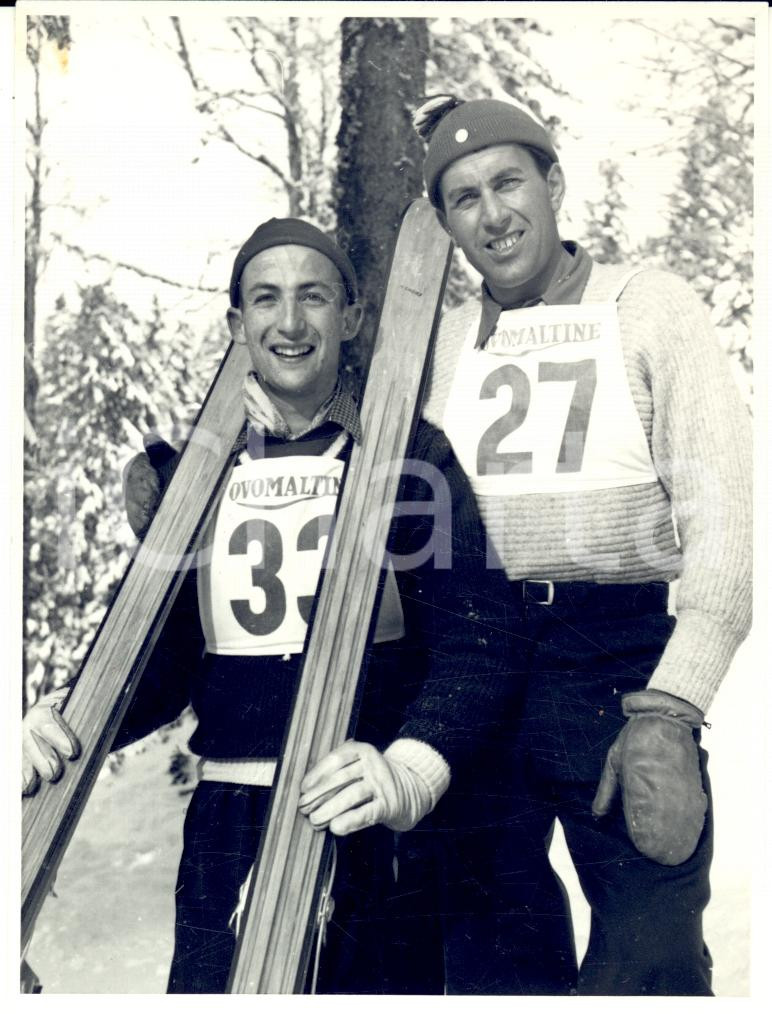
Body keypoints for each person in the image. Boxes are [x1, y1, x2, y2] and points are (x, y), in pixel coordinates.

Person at [22, 217, 519, 994]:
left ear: (351, 317)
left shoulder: (409, 460)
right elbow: (167, 664)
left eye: (313, 297)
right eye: (266, 299)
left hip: (365, 820)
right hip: (226, 823)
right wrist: (67, 719)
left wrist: (410, 767)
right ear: (237, 324)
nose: (289, 323)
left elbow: (479, 642)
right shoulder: (200, 477)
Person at [411, 95, 752, 996]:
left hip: (614, 667)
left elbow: (723, 527)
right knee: (496, 967)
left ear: (554, 182)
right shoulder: (438, 345)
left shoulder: (648, 307)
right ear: (445, 222)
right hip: (478, 669)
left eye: (509, 182)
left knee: (650, 962)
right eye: (465, 198)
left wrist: (673, 706)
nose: (493, 215)